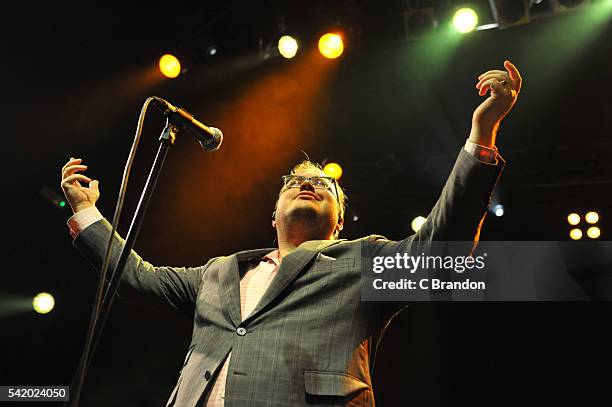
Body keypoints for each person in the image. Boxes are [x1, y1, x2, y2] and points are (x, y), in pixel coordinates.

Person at [61, 61, 522, 407]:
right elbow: (134, 275)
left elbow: (440, 247)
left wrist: (483, 133)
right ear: (274, 216)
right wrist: (86, 212)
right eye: (294, 182)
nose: (308, 183)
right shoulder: (218, 274)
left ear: (339, 221)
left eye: (324, 185)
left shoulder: (360, 263)